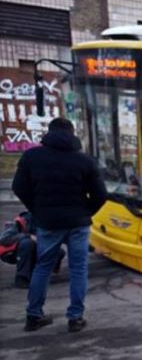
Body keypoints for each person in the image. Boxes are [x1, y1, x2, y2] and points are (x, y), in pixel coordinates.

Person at [12, 116, 107, 333]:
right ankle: (75, 318)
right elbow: (101, 194)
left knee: (43, 266)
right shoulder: (84, 161)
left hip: (48, 223)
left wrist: (37, 210)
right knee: (78, 269)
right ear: (72, 133)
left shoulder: (32, 156)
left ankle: (34, 316)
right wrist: (85, 212)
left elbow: (19, 187)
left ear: (50, 132)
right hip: (78, 224)